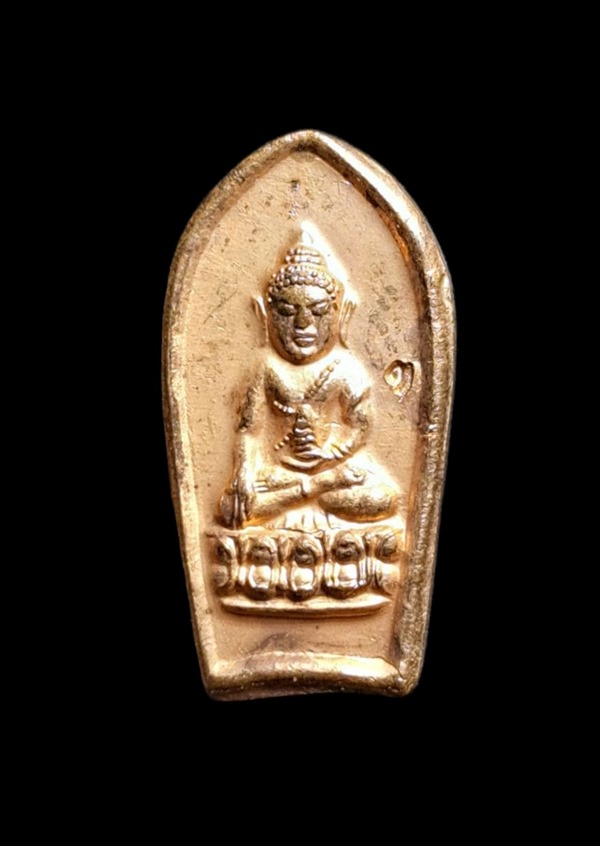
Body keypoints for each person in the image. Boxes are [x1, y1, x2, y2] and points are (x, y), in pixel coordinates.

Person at [218, 242, 400, 530]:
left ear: (340, 315)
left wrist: (333, 456)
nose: (303, 323)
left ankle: (311, 491)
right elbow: (248, 431)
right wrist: (243, 472)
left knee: (383, 499)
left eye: (318, 311)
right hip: (281, 474)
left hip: (336, 470)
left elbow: (360, 426)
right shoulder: (265, 368)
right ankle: (314, 489)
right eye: (287, 311)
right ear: (266, 316)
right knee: (233, 508)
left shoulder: (345, 369)